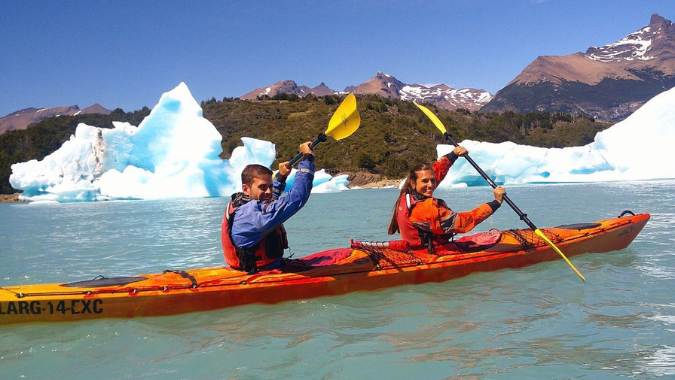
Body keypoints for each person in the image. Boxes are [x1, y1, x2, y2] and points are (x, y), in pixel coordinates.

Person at [388, 146, 506, 251]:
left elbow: (436, 172)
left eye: (432, 180)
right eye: (425, 181)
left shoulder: (407, 195)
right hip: (432, 253)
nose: (431, 185)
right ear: (413, 183)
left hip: (414, 249)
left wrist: (452, 155)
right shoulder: (424, 209)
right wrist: (496, 203)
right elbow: (464, 222)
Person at [221, 142, 315, 273]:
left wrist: (281, 177)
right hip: (259, 272)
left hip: (259, 268)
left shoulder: (243, 203)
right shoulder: (252, 214)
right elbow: (297, 198)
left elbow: (269, 201)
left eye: (270, 186)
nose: (269, 192)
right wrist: (308, 159)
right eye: (262, 187)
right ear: (245, 189)